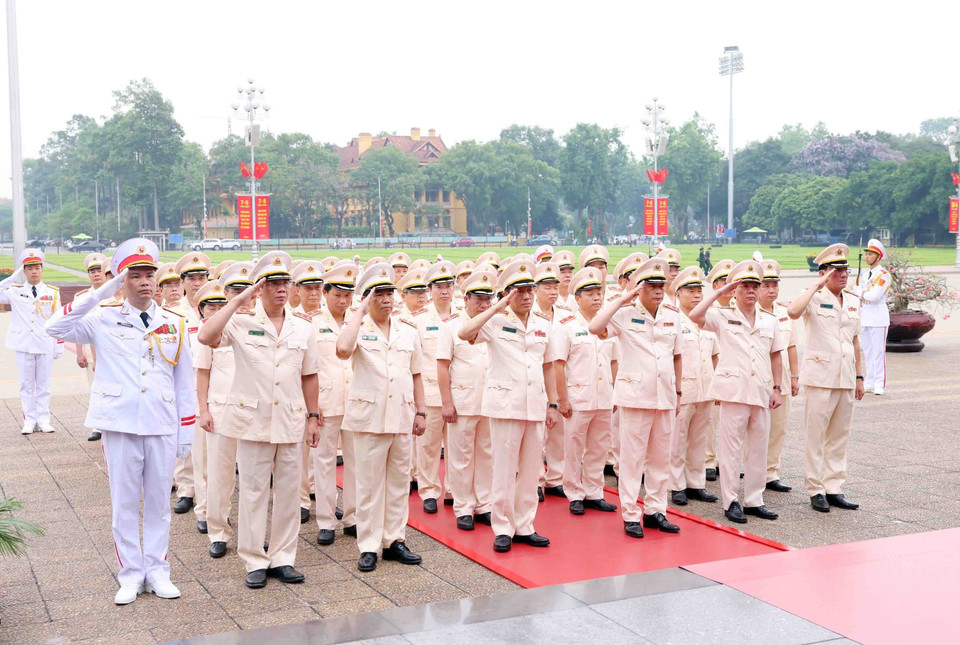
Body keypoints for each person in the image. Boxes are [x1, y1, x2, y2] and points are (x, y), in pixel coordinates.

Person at [45, 239, 195, 604]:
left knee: (159, 503)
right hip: (120, 422)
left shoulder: (173, 323)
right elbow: (55, 327)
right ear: (123, 281)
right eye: (135, 276)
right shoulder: (101, 317)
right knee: (125, 503)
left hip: (160, 422)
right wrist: (102, 292)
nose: (145, 282)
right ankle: (130, 574)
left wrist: (185, 430)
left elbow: (183, 379)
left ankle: (158, 571)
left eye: (149, 275)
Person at [197, 251, 321, 589]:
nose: (281, 289)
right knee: (252, 491)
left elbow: (309, 375)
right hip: (252, 420)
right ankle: (253, 558)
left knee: (288, 492)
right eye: (273, 283)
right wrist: (238, 300)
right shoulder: (240, 322)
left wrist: (313, 416)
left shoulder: (303, 328)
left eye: (285, 283)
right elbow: (206, 337)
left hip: (290, 419)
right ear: (260, 288)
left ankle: (283, 557)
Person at [458, 262, 561, 553]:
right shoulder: (494, 321)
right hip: (505, 405)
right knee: (503, 470)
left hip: (535, 404)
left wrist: (552, 403)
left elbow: (549, 366)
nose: (527, 297)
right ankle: (502, 527)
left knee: (530, 469)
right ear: (506, 295)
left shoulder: (543, 324)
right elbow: (464, 333)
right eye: (520, 292)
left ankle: (525, 525)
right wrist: (495, 307)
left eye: (530, 291)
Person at [335, 263, 427, 572]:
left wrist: (422, 411)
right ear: (367, 298)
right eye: (379, 295)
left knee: (399, 483)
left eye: (390, 293)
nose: (387, 300)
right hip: (369, 418)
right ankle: (369, 545)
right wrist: (359, 312)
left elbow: (416, 375)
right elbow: (343, 350)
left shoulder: (407, 330)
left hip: (400, 415)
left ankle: (394, 540)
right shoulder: (358, 328)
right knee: (370, 485)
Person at [589, 258, 682, 539]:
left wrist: (677, 391)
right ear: (639, 289)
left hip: (664, 396)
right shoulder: (625, 313)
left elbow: (676, 355)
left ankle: (656, 511)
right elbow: (595, 327)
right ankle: (631, 513)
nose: (657, 291)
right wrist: (621, 299)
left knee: (660, 458)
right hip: (634, 397)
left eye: (661, 286)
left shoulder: (672, 314)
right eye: (651, 286)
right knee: (631, 461)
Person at [689, 260, 784, 524]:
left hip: (761, 390)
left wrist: (778, 388)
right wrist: (718, 293)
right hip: (733, 390)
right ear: (735, 290)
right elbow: (695, 316)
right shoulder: (722, 315)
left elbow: (776, 355)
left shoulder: (769, 320)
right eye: (745, 287)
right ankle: (730, 500)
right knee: (730, 449)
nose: (751, 291)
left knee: (758, 447)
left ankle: (754, 500)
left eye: (756, 286)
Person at [787, 244, 865, 513]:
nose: (844, 275)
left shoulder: (853, 300)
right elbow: (793, 312)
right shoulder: (813, 297)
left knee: (839, 436)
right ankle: (815, 489)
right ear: (824, 273)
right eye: (837, 270)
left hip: (845, 376)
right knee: (815, 436)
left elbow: (856, 342)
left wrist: (860, 377)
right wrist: (817, 284)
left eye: (846, 270)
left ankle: (834, 487)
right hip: (820, 377)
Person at [195, 261, 254, 559]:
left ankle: (251, 537)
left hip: (253, 413)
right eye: (236, 291)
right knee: (220, 476)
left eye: (248, 290)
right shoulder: (218, 324)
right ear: (228, 293)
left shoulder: (261, 323)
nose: (243, 296)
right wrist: (203, 410)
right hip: (220, 410)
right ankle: (218, 531)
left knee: (254, 479)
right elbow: (202, 373)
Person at [549, 267, 619, 516]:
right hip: (578, 397)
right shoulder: (566, 325)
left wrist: (616, 392)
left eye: (598, 292)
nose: (596, 298)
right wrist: (562, 399)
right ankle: (574, 492)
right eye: (589, 294)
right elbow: (558, 364)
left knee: (599, 447)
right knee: (574, 447)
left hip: (604, 395)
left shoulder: (608, 324)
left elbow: (614, 362)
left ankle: (594, 492)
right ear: (577, 298)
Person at [438, 268, 496, 530]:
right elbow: (442, 367)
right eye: (478, 299)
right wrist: (446, 402)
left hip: (490, 401)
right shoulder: (451, 326)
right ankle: (463, 507)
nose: (484, 304)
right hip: (462, 402)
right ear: (466, 300)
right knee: (460, 458)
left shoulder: (495, 325)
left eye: (488, 300)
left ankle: (484, 504)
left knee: (486, 455)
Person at [305, 263, 358, 546]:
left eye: (348, 296)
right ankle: (326, 520)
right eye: (338, 294)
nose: (343, 301)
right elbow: (308, 368)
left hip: (356, 402)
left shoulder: (359, 321)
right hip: (325, 403)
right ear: (325, 293)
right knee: (323, 463)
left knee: (356, 463)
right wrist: (311, 407)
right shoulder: (312, 324)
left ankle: (352, 518)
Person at [667, 266, 720, 507]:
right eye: (690, 291)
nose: (697, 295)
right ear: (678, 294)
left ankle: (696, 483)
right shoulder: (671, 319)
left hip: (705, 388)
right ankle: (676, 485)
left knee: (699, 438)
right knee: (677, 440)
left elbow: (716, 355)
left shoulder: (708, 319)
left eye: (699, 290)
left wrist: (718, 384)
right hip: (683, 389)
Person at [1, 249, 64, 435]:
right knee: (26, 385)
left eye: (37, 267)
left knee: (44, 385)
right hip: (24, 344)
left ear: (42, 269)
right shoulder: (15, 291)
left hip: (44, 343)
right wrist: (14, 276)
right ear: (24, 271)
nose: (34, 271)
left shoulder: (52, 293)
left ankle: (44, 419)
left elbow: (58, 320)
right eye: (29, 268)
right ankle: (29, 420)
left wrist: (58, 345)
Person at [414, 261, 459, 513]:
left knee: (456, 446)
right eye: (439, 286)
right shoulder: (419, 320)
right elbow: (416, 363)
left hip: (457, 392)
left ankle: (453, 489)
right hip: (430, 392)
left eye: (448, 286)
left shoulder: (462, 316)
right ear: (429, 289)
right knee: (429, 446)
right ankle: (429, 491)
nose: (444, 291)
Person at [169, 253, 210, 517]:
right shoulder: (172, 313)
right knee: (184, 440)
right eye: (192, 279)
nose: (197, 283)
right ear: (182, 282)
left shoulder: (216, 306)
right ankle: (186, 490)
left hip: (211, 383)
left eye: (202, 277)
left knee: (207, 445)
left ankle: (210, 494)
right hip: (183, 382)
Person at [757, 259, 800, 493]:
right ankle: (754, 470)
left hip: (781, 379)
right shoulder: (749, 311)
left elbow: (791, 346)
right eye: (766, 285)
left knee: (778, 428)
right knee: (756, 429)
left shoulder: (784, 312)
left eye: (775, 285)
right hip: (758, 379)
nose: (772, 290)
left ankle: (771, 473)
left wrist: (794, 376)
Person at [702, 258, 737, 481]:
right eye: (724, 281)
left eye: (732, 281)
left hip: (735, 373)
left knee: (733, 425)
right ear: (715, 286)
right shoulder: (707, 312)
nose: (728, 286)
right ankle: (708, 461)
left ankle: (728, 462)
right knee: (710, 421)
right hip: (712, 372)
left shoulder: (740, 310)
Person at [74, 252, 109, 441]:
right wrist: (79, 353)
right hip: (90, 349)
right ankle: (98, 426)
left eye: (99, 270)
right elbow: (79, 326)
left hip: (112, 347)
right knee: (94, 387)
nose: (96, 274)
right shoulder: (82, 297)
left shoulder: (115, 294)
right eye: (92, 271)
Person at [855, 239, 891, 395]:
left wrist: (859, 292)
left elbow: (875, 296)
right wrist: (861, 294)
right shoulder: (864, 275)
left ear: (878, 257)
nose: (867, 257)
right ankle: (869, 381)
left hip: (878, 318)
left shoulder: (884, 275)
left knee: (878, 352)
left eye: (870, 254)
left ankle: (879, 383)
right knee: (868, 351)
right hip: (865, 316)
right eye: (867, 254)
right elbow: (864, 295)